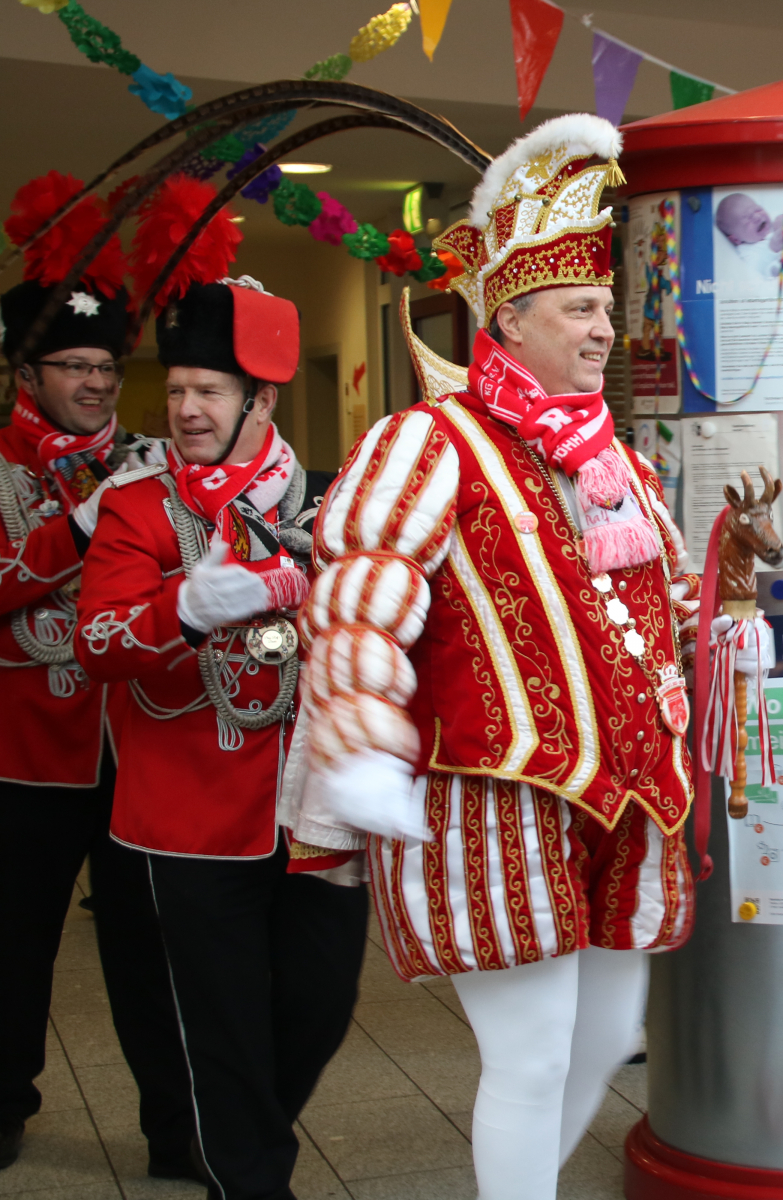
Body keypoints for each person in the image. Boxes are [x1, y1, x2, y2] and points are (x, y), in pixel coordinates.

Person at [300, 113, 701, 1200]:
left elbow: (658, 604)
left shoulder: (614, 461)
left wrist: (731, 621)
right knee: (528, 1059)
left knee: (605, 1036)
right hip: (494, 798)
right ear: (510, 320)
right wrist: (361, 742)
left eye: (607, 307)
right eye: (579, 309)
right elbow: (362, 589)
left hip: (628, 797)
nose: (604, 329)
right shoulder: (430, 439)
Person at [74, 236, 366, 1199]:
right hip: (188, 816)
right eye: (178, 389)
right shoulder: (136, 508)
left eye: (209, 391)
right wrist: (188, 607)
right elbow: (97, 642)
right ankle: (249, 1177)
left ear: (262, 401)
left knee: (321, 1002)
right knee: (224, 1024)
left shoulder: (333, 501)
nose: (186, 409)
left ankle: (234, 1132)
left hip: (316, 813)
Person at [0, 172, 192, 1177]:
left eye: (108, 368)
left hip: (137, 746)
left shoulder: (156, 460)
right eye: (74, 366)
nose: (96, 384)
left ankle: (177, 1130)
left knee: (150, 950)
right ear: (23, 371)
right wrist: (80, 527)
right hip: (24, 754)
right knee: (13, 946)